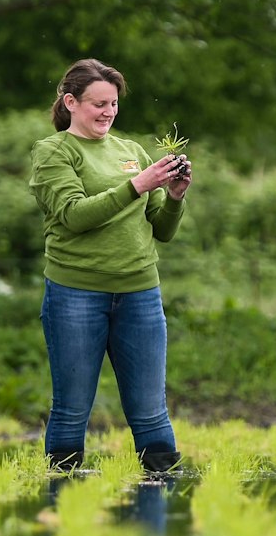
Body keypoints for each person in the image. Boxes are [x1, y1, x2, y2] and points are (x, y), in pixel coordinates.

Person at [29, 58, 192, 473]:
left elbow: (163, 231)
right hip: (75, 294)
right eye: (98, 103)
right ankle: (63, 504)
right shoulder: (53, 152)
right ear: (70, 102)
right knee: (71, 408)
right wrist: (137, 185)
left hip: (140, 294)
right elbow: (73, 215)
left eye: (114, 104)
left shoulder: (131, 151)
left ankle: (160, 502)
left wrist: (173, 196)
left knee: (150, 409)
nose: (108, 112)